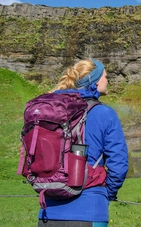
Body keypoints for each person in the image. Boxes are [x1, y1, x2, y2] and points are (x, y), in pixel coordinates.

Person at [37, 59, 129, 227]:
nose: (107, 80)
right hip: (89, 211)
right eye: (105, 76)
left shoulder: (51, 112)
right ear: (94, 82)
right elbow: (119, 165)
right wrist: (104, 194)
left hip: (47, 212)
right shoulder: (104, 113)